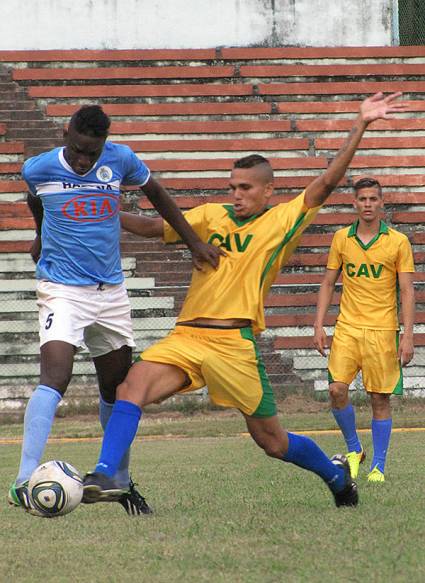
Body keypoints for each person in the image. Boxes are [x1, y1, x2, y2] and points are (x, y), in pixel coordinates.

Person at [81, 93, 407, 509]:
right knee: (131, 386)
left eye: (245, 187)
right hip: (187, 337)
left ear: (268, 191)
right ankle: (109, 474)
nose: (236, 194)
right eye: (232, 186)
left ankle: (335, 473)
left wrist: (359, 125)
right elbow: (150, 227)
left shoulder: (280, 221)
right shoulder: (208, 214)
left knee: (273, 442)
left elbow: (325, 183)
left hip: (236, 346)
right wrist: (96, 209)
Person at [8, 105, 222, 516]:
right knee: (56, 373)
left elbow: (157, 194)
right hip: (62, 289)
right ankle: (23, 480)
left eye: (93, 152)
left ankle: (118, 481)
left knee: (117, 388)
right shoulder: (39, 168)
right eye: (79, 151)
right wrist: (40, 236)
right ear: (66, 134)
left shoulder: (121, 160)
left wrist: (193, 241)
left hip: (110, 293)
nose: (85, 160)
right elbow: (33, 199)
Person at [313, 176, 415, 483]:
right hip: (347, 329)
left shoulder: (398, 241)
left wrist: (408, 335)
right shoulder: (342, 239)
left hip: (383, 331)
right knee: (336, 390)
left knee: (379, 399)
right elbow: (329, 282)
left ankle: (379, 467)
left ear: (382, 203)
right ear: (354, 203)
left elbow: (408, 291)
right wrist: (318, 324)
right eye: (363, 199)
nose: (368, 204)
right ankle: (355, 449)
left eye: (373, 199)